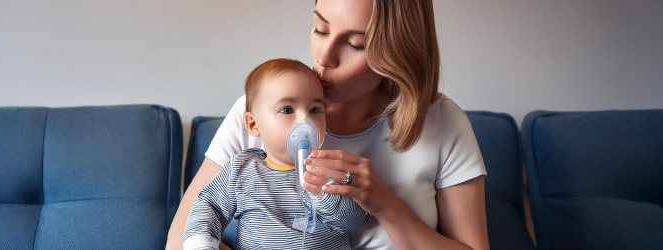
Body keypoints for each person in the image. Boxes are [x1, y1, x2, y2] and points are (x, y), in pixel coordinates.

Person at [168, 0, 490, 249]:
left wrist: (383, 204)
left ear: (397, 54)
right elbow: (183, 235)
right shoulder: (262, 109)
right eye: (320, 29)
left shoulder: (441, 122)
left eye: (355, 44)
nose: (323, 57)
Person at [182, 58, 369, 250]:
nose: (305, 121)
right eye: (287, 109)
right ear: (253, 125)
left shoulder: (331, 170)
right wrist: (201, 243)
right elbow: (209, 205)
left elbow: (353, 222)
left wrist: (324, 192)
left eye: (314, 110)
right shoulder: (242, 168)